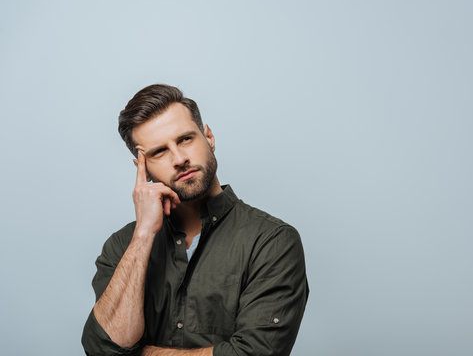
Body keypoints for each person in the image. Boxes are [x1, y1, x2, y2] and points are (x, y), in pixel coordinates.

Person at [81, 84, 309, 356]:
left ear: (209, 137)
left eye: (186, 139)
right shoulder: (121, 247)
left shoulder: (272, 242)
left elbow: (255, 353)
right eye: (159, 152)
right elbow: (102, 348)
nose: (179, 159)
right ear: (142, 169)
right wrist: (143, 234)